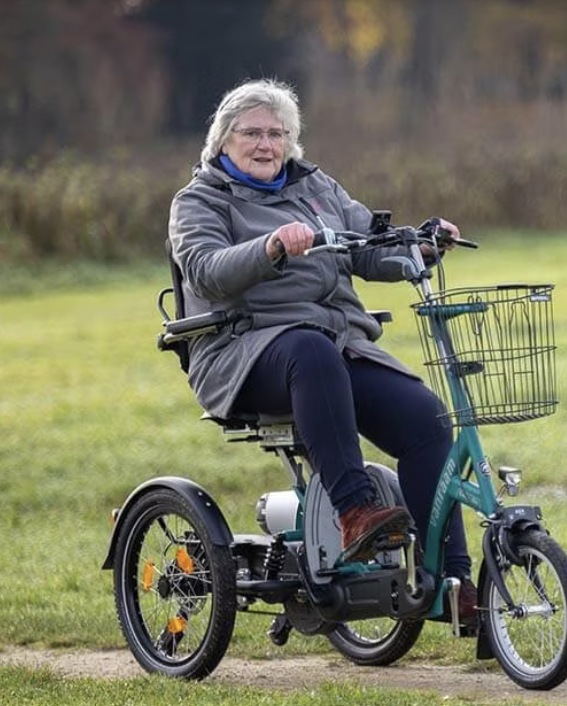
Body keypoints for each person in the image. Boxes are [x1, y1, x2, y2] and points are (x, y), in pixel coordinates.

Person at [168, 78, 475, 618]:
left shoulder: (317, 188)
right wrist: (269, 247)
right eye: (252, 133)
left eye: (277, 133)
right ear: (222, 140)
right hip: (241, 352)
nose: (266, 144)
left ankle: (450, 583)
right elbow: (208, 272)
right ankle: (356, 512)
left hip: (334, 349)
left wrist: (423, 245)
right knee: (308, 350)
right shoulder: (198, 202)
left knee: (425, 420)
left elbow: (371, 247)